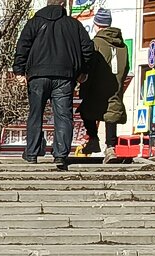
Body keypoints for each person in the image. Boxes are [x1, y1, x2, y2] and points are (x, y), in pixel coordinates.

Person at [13, 0, 94, 171]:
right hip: (65, 76)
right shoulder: (74, 25)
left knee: (35, 114)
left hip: (37, 76)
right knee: (64, 115)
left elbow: (22, 47)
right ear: (63, 4)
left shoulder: (34, 22)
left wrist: (19, 71)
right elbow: (87, 48)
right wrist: (82, 71)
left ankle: (32, 153)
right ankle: (60, 155)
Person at [77, 8, 129, 163]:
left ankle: (93, 139)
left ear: (97, 25)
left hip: (95, 87)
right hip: (115, 87)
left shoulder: (95, 43)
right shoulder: (123, 46)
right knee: (112, 114)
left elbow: (90, 66)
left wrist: (83, 82)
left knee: (86, 110)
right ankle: (110, 148)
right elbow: (126, 67)